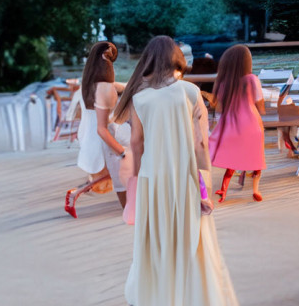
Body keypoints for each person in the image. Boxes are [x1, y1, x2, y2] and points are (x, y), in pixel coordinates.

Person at [115, 35, 239, 306]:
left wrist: (137, 178)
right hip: (185, 179)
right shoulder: (189, 92)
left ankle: (159, 295)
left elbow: (136, 143)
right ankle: (193, 295)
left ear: (149, 60)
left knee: (156, 243)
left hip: (152, 178)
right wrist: (205, 183)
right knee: (193, 241)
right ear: (176, 59)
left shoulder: (140, 97)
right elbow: (199, 144)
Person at [66, 41, 129, 217]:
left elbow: (120, 86)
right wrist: (121, 151)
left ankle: (76, 194)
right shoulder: (102, 88)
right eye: (108, 57)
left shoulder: (90, 84)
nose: (110, 62)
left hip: (97, 134)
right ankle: (76, 193)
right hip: (106, 134)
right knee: (120, 170)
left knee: (111, 174)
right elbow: (103, 126)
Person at [206, 45, 265, 203]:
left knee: (231, 162)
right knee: (256, 158)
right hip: (251, 123)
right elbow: (259, 101)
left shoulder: (225, 83)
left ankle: (223, 190)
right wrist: (262, 109)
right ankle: (255, 190)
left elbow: (219, 108)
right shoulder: (252, 79)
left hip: (231, 125)